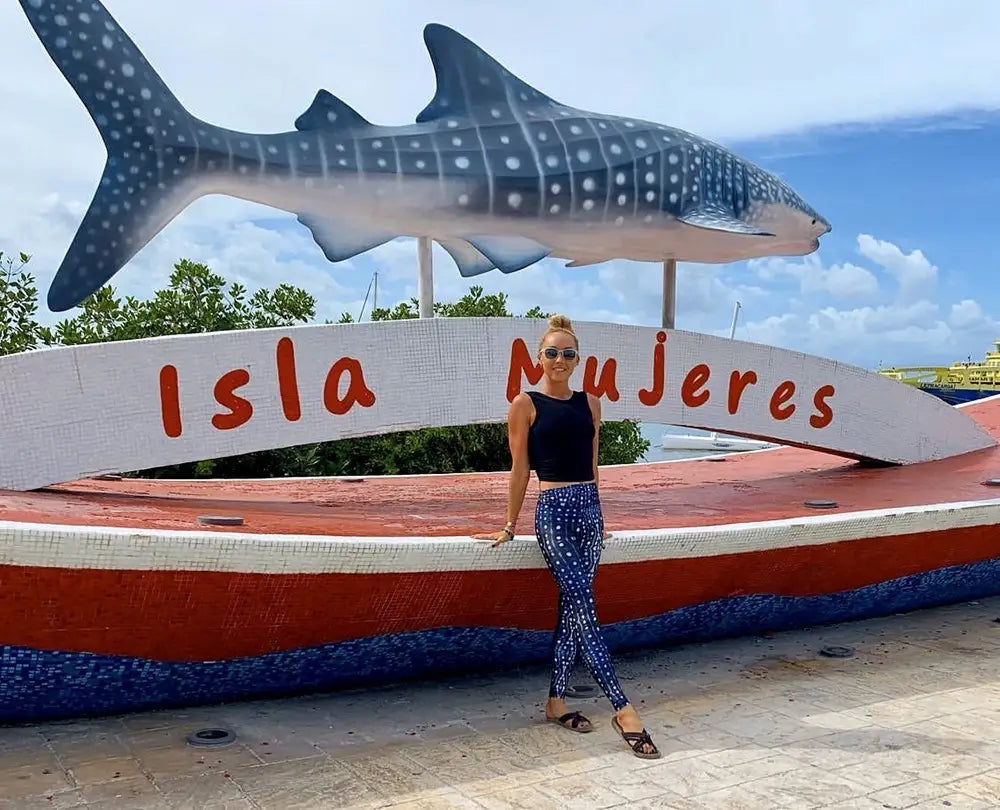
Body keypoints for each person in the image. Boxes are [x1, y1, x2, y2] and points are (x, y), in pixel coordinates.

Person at [474, 314, 661, 759]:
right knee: (584, 604)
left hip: (589, 513)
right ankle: (623, 707)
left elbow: (592, 466)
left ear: (578, 359)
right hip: (553, 513)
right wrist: (509, 524)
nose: (560, 360)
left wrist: (602, 517)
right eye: (552, 352)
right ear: (538, 358)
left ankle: (556, 702)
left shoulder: (591, 403)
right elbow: (520, 470)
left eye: (568, 353)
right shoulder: (525, 404)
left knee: (571, 609)